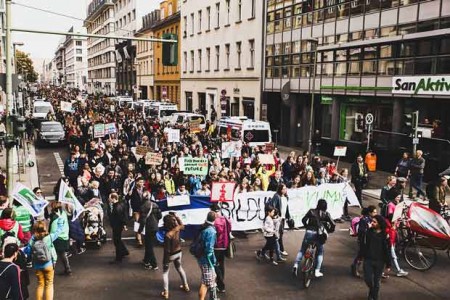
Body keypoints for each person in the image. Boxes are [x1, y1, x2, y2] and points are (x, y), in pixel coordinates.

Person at [292, 199, 335, 278]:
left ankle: (295, 265)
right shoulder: (326, 214)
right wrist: (329, 231)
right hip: (319, 235)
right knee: (319, 252)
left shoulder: (311, 211)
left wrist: (307, 226)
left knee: (302, 250)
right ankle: (317, 270)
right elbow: (333, 224)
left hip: (309, 232)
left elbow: (303, 220)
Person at [26, 220, 64, 300]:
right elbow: (59, 231)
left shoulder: (32, 240)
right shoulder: (49, 237)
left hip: (37, 265)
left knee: (40, 284)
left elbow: (28, 252)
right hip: (49, 264)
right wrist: (60, 221)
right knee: (49, 284)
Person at [360, 215, 391, 300]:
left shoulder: (385, 235)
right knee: (368, 279)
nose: (372, 223)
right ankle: (372, 291)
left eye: (374, 222)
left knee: (376, 281)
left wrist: (388, 264)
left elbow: (388, 250)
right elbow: (364, 245)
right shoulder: (369, 232)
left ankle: (374, 297)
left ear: (379, 224)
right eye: (372, 221)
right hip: (368, 260)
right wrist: (360, 257)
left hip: (380, 261)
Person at [161, 213, 189, 300]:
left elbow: (167, 250)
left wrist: (165, 261)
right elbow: (182, 226)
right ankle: (186, 286)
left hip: (170, 255)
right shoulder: (177, 228)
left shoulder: (167, 235)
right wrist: (176, 216)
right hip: (178, 252)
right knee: (180, 268)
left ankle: (166, 293)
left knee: (165, 273)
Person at [351, 205, 377, 278]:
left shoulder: (371, 219)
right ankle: (355, 268)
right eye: (374, 212)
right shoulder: (364, 220)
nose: (376, 213)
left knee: (366, 256)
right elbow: (361, 231)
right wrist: (369, 227)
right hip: (363, 241)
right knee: (361, 255)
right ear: (370, 213)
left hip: (368, 241)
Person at [210, 203, 231, 293]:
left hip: (216, 246)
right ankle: (221, 281)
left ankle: (220, 284)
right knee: (221, 264)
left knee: (215, 265)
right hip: (224, 245)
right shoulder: (225, 218)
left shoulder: (214, 221)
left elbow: (213, 233)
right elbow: (229, 229)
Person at [197, 211, 218, 300]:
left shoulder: (204, 227)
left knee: (210, 279)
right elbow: (209, 249)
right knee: (205, 283)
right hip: (207, 260)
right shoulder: (211, 231)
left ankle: (213, 298)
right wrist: (213, 261)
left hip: (201, 258)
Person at [138, 196, 162, 270]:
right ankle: (146, 260)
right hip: (154, 227)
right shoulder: (155, 205)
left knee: (149, 246)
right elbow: (160, 216)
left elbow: (143, 221)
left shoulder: (143, 207)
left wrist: (139, 230)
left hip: (148, 228)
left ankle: (153, 264)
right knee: (149, 244)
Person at [49, 203, 71, 276]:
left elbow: (52, 229)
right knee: (63, 254)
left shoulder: (54, 217)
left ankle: (51, 271)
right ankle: (67, 268)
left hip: (57, 238)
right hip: (65, 236)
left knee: (52, 254)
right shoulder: (64, 213)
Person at [107, 193, 129, 263]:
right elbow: (124, 215)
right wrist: (124, 224)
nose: (109, 199)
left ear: (113, 198)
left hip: (117, 226)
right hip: (119, 226)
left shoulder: (116, 207)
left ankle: (118, 258)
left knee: (117, 241)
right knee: (118, 239)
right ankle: (124, 251)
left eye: (110, 198)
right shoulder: (121, 204)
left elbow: (120, 217)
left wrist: (123, 224)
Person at [268, 184, 290, 256]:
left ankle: (272, 247)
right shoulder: (276, 196)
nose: (284, 190)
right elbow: (272, 206)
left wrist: (288, 216)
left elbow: (286, 208)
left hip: (282, 218)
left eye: (285, 189)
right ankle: (281, 249)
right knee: (279, 233)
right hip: (278, 218)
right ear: (280, 189)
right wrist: (275, 216)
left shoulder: (286, 197)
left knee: (278, 233)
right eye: (283, 189)